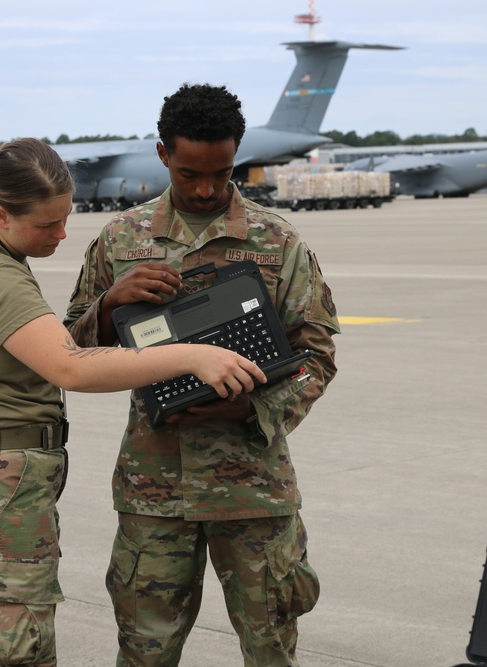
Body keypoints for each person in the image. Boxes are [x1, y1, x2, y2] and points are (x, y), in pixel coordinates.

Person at [0, 137, 266, 667]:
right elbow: (70, 366)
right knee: (13, 651)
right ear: (1, 214)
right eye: (47, 224)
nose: (62, 234)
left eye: (67, 218)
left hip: (5, 481)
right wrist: (192, 356)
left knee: (20, 643)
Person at [64, 84, 341, 665]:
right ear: (163, 154)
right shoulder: (120, 240)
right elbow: (69, 351)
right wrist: (111, 305)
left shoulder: (277, 240)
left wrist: (256, 408)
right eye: (190, 173)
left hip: (252, 486)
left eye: (222, 171)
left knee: (270, 647)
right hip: (153, 488)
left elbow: (316, 355)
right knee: (146, 650)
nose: (207, 188)